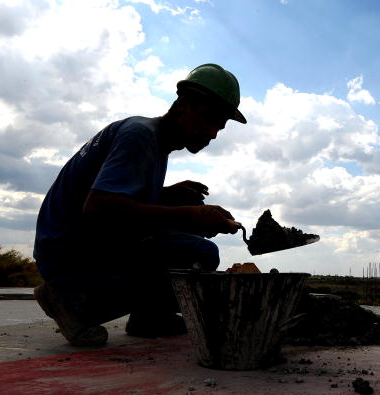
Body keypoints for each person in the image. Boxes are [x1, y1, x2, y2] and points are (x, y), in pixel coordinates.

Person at [32, 64, 245, 346]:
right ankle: (73, 302)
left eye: (220, 125)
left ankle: (150, 317)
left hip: (72, 244)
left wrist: (167, 195)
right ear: (183, 105)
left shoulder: (151, 138)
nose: (213, 132)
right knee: (201, 253)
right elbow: (98, 209)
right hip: (70, 254)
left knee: (189, 239)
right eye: (208, 119)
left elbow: (110, 198)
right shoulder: (140, 135)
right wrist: (190, 216)